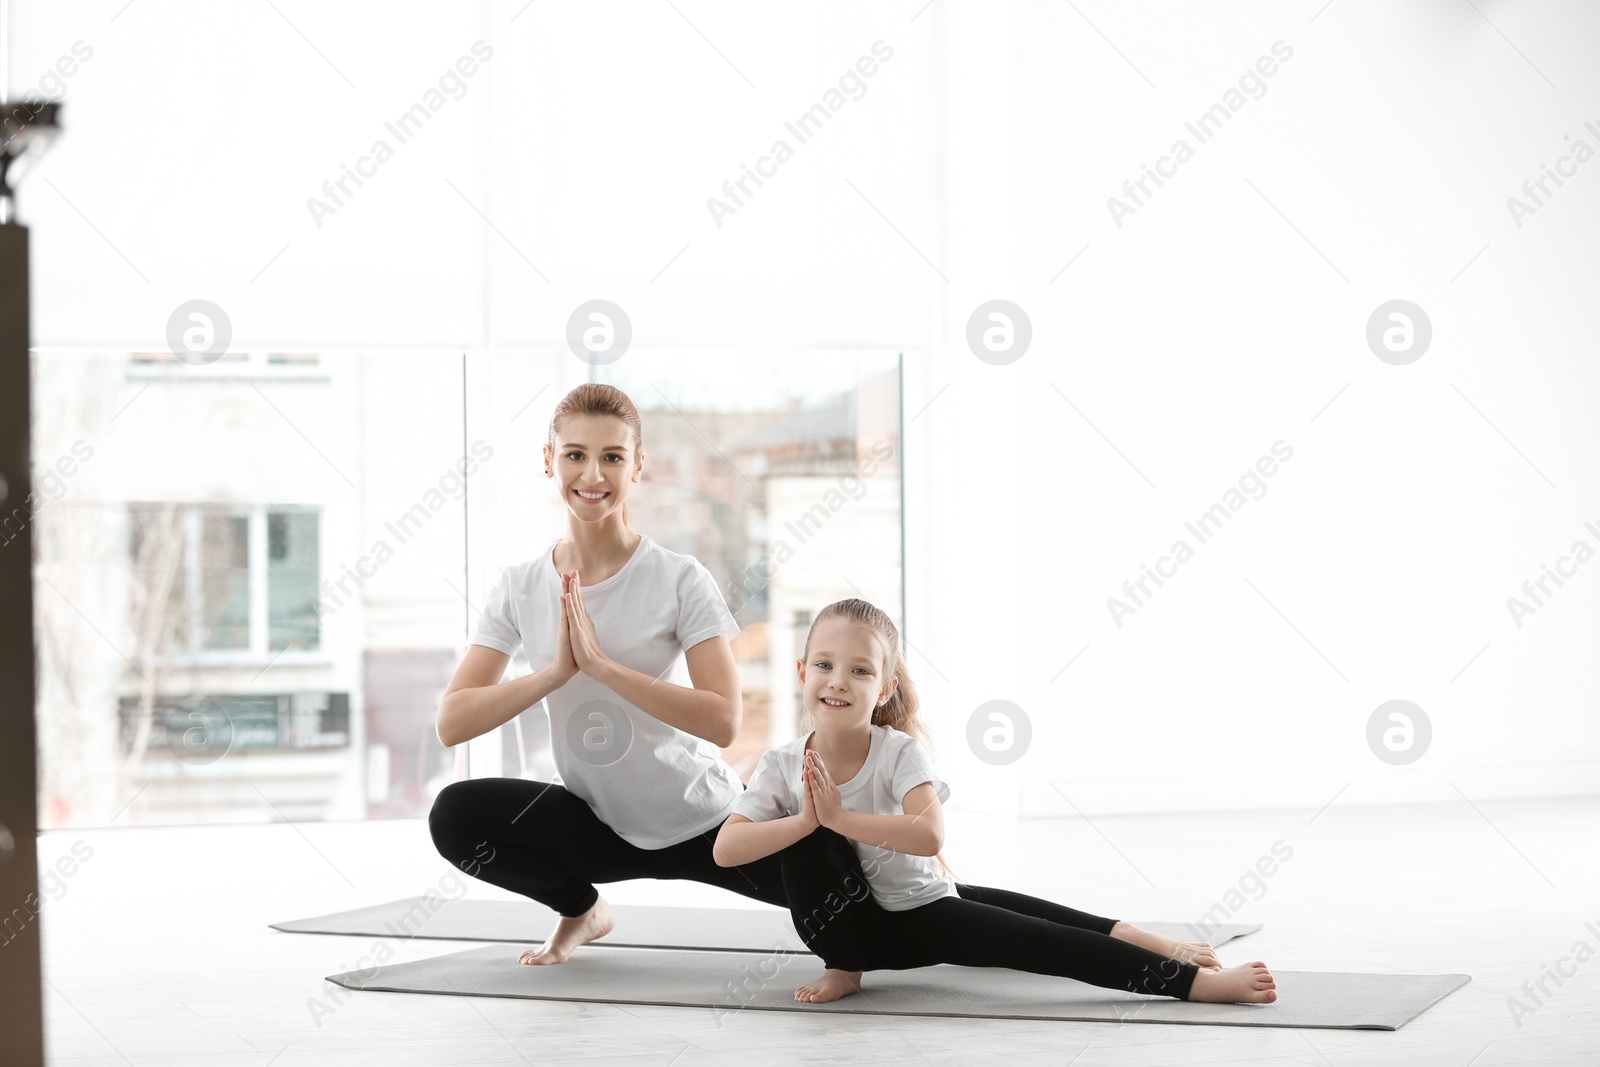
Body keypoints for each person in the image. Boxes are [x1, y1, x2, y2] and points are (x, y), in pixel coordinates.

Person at [713, 597, 1279, 1006]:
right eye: (825, 665)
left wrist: (837, 817)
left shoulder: (898, 752)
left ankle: (1180, 971)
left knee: (1039, 930)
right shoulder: (783, 763)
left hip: (920, 915)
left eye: (860, 671)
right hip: (848, 929)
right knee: (803, 837)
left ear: (883, 690)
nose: (838, 681)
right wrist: (812, 820)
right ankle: (846, 967)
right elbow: (726, 849)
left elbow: (930, 836)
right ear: (801, 673)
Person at [428, 382, 792, 965]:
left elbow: (724, 721)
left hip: (705, 821)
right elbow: (452, 722)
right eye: (575, 454)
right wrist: (553, 674)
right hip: (596, 823)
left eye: (612, 457)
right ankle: (583, 910)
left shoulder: (678, 578)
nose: (592, 474)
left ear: (637, 466)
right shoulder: (521, 585)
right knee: (456, 815)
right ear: (549, 461)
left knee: (872, 904)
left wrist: (602, 667)